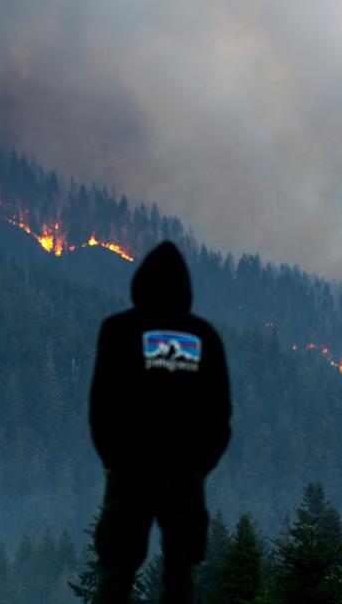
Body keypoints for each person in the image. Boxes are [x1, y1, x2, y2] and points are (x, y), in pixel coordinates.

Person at [90, 240, 231, 603]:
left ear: (141, 283)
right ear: (186, 289)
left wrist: (111, 461)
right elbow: (220, 415)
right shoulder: (204, 336)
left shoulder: (118, 329)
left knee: (117, 569)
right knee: (181, 572)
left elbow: (101, 405)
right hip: (184, 471)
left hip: (129, 467)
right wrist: (200, 467)